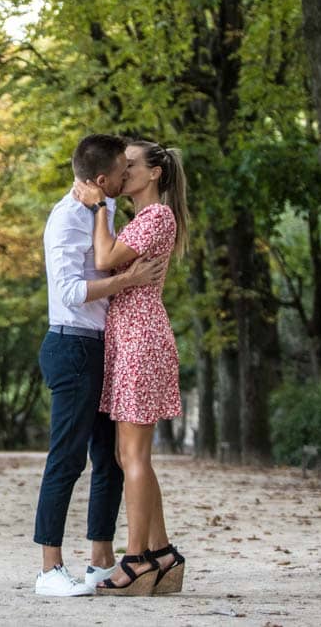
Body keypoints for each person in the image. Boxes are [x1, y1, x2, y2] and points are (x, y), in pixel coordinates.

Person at [33, 133, 168, 597]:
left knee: (108, 461)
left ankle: (100, 560)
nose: (126, 175)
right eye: (121, 170)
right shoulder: (67, 218)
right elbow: (69, 292)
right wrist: (127, 280)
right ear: (102, 178)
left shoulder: (106, 210)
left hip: (105, 347)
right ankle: (50, 567)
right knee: (67, 459)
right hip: (71, 346)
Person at [73, 138, 189, 597]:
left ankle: (137, 558)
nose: (123, 171)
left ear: (154, 173)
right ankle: (162, 553)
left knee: (133, 457)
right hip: (131, 336)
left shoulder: (157, 215)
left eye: (131, 165)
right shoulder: (144, 218)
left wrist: (100, 207)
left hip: (140, 338)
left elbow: (104, 260)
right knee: (129, 456)